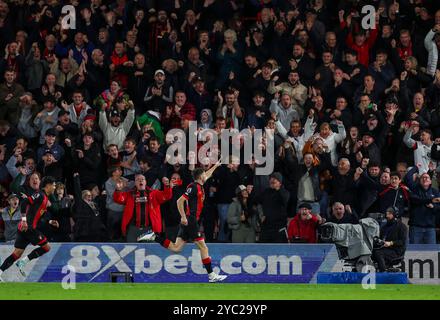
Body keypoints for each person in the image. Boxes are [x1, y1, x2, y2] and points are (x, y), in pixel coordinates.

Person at [138, 162, 228, 283]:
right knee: (204, 247)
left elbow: (208, 174)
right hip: (190, 220)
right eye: (204, 175)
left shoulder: (200, 184)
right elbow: (180, 201)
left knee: (176, 248)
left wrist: (216, 166)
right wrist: (184, 217)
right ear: (200, 177)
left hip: (190, 221)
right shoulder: (194, 187)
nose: (206, 176)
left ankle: (155, 237)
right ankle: (211, 275)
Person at [0, 176, 58, 281]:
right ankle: (23, 262)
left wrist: (49, 221)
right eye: (54, 185)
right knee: (47, 247)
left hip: (25, 228)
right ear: (48, 185)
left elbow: (37, 218)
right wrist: (24, 220)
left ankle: (0, 271)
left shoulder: (45, 199)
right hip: (28, 227)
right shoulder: (40, 194)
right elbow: (25, 202)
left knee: (16, 253)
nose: (55, 187)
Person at [113, 175, 172, 242]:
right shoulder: (129, 194)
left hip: (149, 229)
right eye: (138, 179)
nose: (140, 180)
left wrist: (167, 185)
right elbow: (118, 199)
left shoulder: (154, 194)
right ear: (135, 183)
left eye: (142, 179)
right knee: (132, 250)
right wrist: (118, 190)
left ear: (145, 182)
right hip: (133, 229)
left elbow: (167, 196)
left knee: (150, 251)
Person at [372, 207, 408, 272]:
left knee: (379, 253)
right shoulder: (384, 227)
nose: (387, 216)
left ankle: (383, 271)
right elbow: (380, 238)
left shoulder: (402, 226)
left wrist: (391, 243)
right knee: (372, 252)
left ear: (395, 215)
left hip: (396, 251)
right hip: (386, 249)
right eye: (386, 214)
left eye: (389, 214)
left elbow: (402, 242)